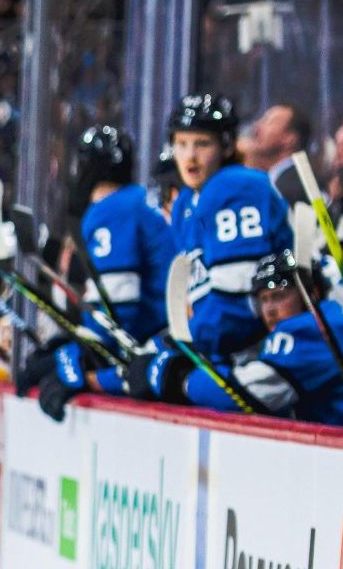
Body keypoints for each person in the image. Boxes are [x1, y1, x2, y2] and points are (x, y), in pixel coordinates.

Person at [129, 94, 291, 411]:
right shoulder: (186, 204)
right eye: (181, 144)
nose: (190, 156)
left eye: (202, 144)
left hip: (266, 359)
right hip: (226, 359)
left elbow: (239, 309)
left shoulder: (237, 186)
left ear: (227, 146)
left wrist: (176, 343)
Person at [35, 123, 176, 420]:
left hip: (149, 346)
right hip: (168, 340)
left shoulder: (110, 210)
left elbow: (118, 307)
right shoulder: (142, 199)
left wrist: (81, 356)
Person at [230, 251, 343, 427]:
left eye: (278, 296)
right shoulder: (334, 317)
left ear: (312, 293)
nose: (269, 310)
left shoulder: (310, 328)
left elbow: (243, 396)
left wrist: (191, 379)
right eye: (263, 299)